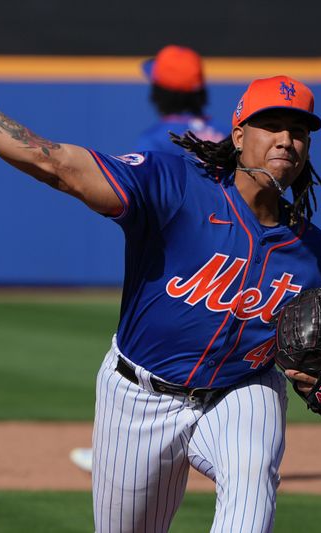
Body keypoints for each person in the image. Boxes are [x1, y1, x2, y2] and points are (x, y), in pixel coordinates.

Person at [0, 31, 321, 533]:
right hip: (139, 396)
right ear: (237, 135)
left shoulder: (319, 257)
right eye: (270, 125)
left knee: (252, 485)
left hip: (242, 392)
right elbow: (52, 162)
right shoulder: (176, 185)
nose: (285, 140)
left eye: (298, 131)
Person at [69, 44, 227, 475]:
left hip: (178, 262)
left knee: (138, 351)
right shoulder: (223, 135)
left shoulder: (160, 140)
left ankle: (118, 450)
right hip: (226, 265)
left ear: (162, 90)